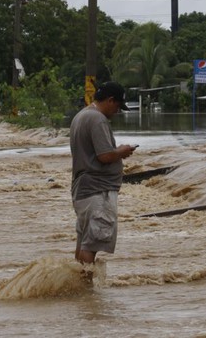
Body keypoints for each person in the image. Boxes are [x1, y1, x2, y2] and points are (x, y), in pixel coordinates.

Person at [69, 82, 136, 280]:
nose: (116, 111)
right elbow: (105, 156)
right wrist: (122, 151)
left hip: (83, 190)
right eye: (117, 106)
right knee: (92, 244)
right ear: (110, 100)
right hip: (98, 191)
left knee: (84, 242)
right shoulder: (97, 119)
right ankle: (87, 292)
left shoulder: (81, 115)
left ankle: (79, 286)